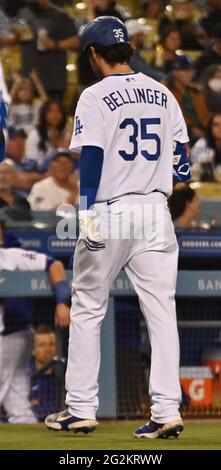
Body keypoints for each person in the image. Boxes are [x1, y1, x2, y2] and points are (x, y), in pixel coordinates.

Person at [45, 16, 190, 439]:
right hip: (155, 211)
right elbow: (182, 164)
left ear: (93, 52)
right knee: (162, 312)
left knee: (89, 306)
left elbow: (89, 160)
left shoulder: (94, 95)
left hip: (111, 209)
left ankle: (81, 408)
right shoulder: (163, 92)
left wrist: (86, 213)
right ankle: (166, 410)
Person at [0, 235, 70, 423]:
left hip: (12, 333)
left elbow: (54, 264)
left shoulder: (11, 254)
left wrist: (62, 302)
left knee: (11, 390)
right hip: (14, 334)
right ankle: (24, 422)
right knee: (17, 400)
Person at [30, 325, 63, 422]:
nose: (47, 349)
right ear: (33, 350)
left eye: (51, 344)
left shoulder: (64, 377)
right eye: (42, 345)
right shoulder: (25, 378)